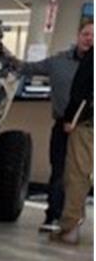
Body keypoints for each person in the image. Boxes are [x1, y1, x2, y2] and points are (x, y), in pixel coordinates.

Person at [16, 18, 94, 232]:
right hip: (63, 124)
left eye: (94, 35)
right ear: (78, 36)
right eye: (86, 34)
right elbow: (27, 68)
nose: (90, 39)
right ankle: (54, 216)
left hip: (87, 125)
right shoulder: (58, 62)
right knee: (59, 171)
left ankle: (72, 219)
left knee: (78, 173)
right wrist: (7, 59)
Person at [52, 46, 93, 245]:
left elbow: (81, 90)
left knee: (77, 173)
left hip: (87, 123)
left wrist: (70, 118)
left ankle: (70, 228)